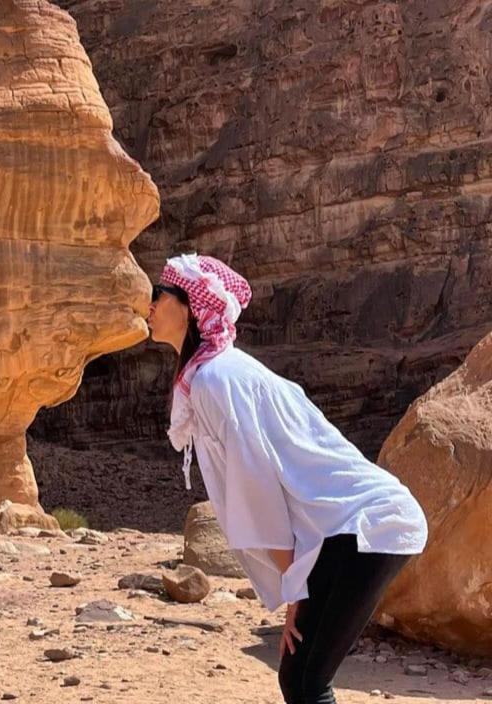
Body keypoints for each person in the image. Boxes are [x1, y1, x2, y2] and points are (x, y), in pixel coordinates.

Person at [147, 252, 428, 704]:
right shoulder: (216, 374)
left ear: (187, 305)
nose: (149, 305)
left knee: (308, 681)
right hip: (347, 530)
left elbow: (255, 485)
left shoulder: (216, 380)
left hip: (371, 525)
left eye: (157, 295)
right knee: (298, 678)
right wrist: (298, 585)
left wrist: (297, 583)